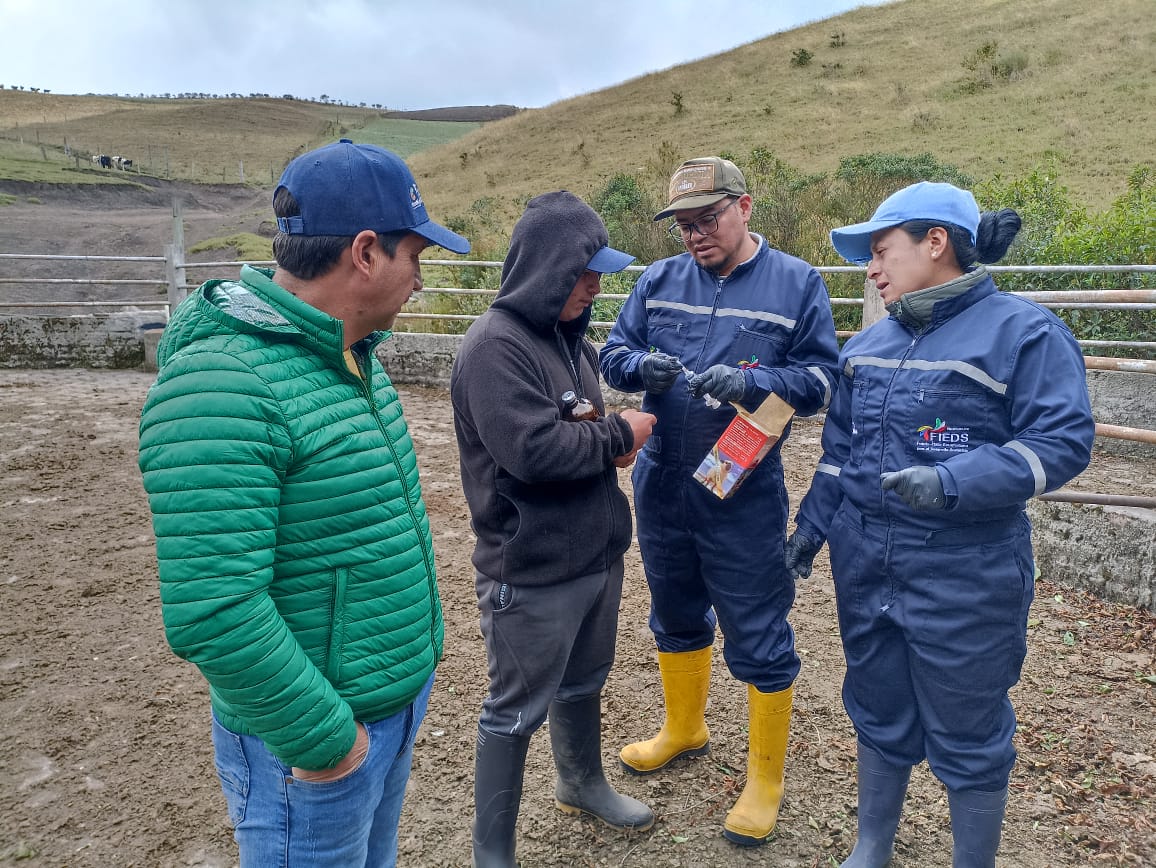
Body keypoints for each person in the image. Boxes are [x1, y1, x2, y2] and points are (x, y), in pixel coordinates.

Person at [138, 139, 471, 867]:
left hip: (381, 707)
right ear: (365, 253)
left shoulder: (351, 355)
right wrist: (328, 743)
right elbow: (215, 610)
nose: (420, 279)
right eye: (416, 256)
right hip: (317, 742)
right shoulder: (222, 385)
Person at [783, 182, 1096, 868]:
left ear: (936, 242)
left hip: (966, 569)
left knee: (968, 720)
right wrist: (810, 529)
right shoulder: (868, 345)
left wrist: (954, 481)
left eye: (881, 250)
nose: (871, 268)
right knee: (877, 701)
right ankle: (872, 844)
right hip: (866, 563)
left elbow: (1061, 442)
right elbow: (839, 455)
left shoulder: (1023, 333)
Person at [599, 156, 841, 846]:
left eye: (707, 218)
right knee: (674, 607)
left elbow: (821, 381)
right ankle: (685, 727)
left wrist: (752, 383)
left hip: (743, 487)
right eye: (683, 225)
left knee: (758, 625)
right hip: (662, 480)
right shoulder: (658, 280)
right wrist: (639, 366)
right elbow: (612, 353)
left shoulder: (798, 283)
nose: (695, 235)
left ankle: (764, 778)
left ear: (745, 206)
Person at [450, 191, 659, 868]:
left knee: (583, 679)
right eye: (583, 272)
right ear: (546, 268)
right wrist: (619, 434)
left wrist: (607, 444)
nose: (595, 285)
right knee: (513, 710)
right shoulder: (495, 347)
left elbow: (577, 431)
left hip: (594, 556)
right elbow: (532, 451)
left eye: (598, 272)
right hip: (532, 567)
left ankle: (580, 782)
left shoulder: (572, 341)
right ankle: (493, 852)